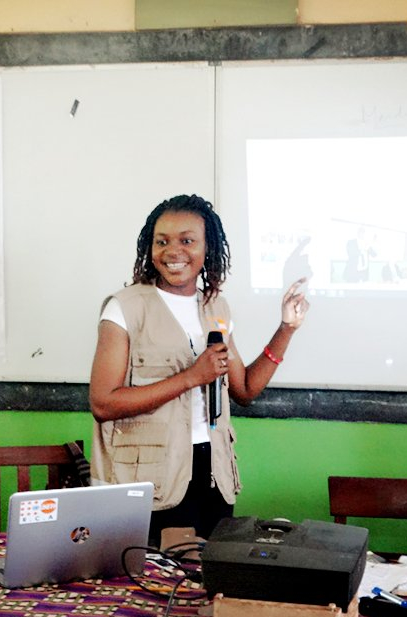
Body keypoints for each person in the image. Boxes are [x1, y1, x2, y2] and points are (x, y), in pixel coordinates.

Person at [89, 194, 309, 545]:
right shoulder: (124, 308)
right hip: (149, 478)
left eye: (187, 241)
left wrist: (286, 329)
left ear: (208, 248)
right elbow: (103, 403)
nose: (172, 251)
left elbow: (245, 390)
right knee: (157, 574)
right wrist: (191, 377)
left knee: (207, 573)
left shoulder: (215, 307)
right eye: (162, 242)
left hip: (212, 471)